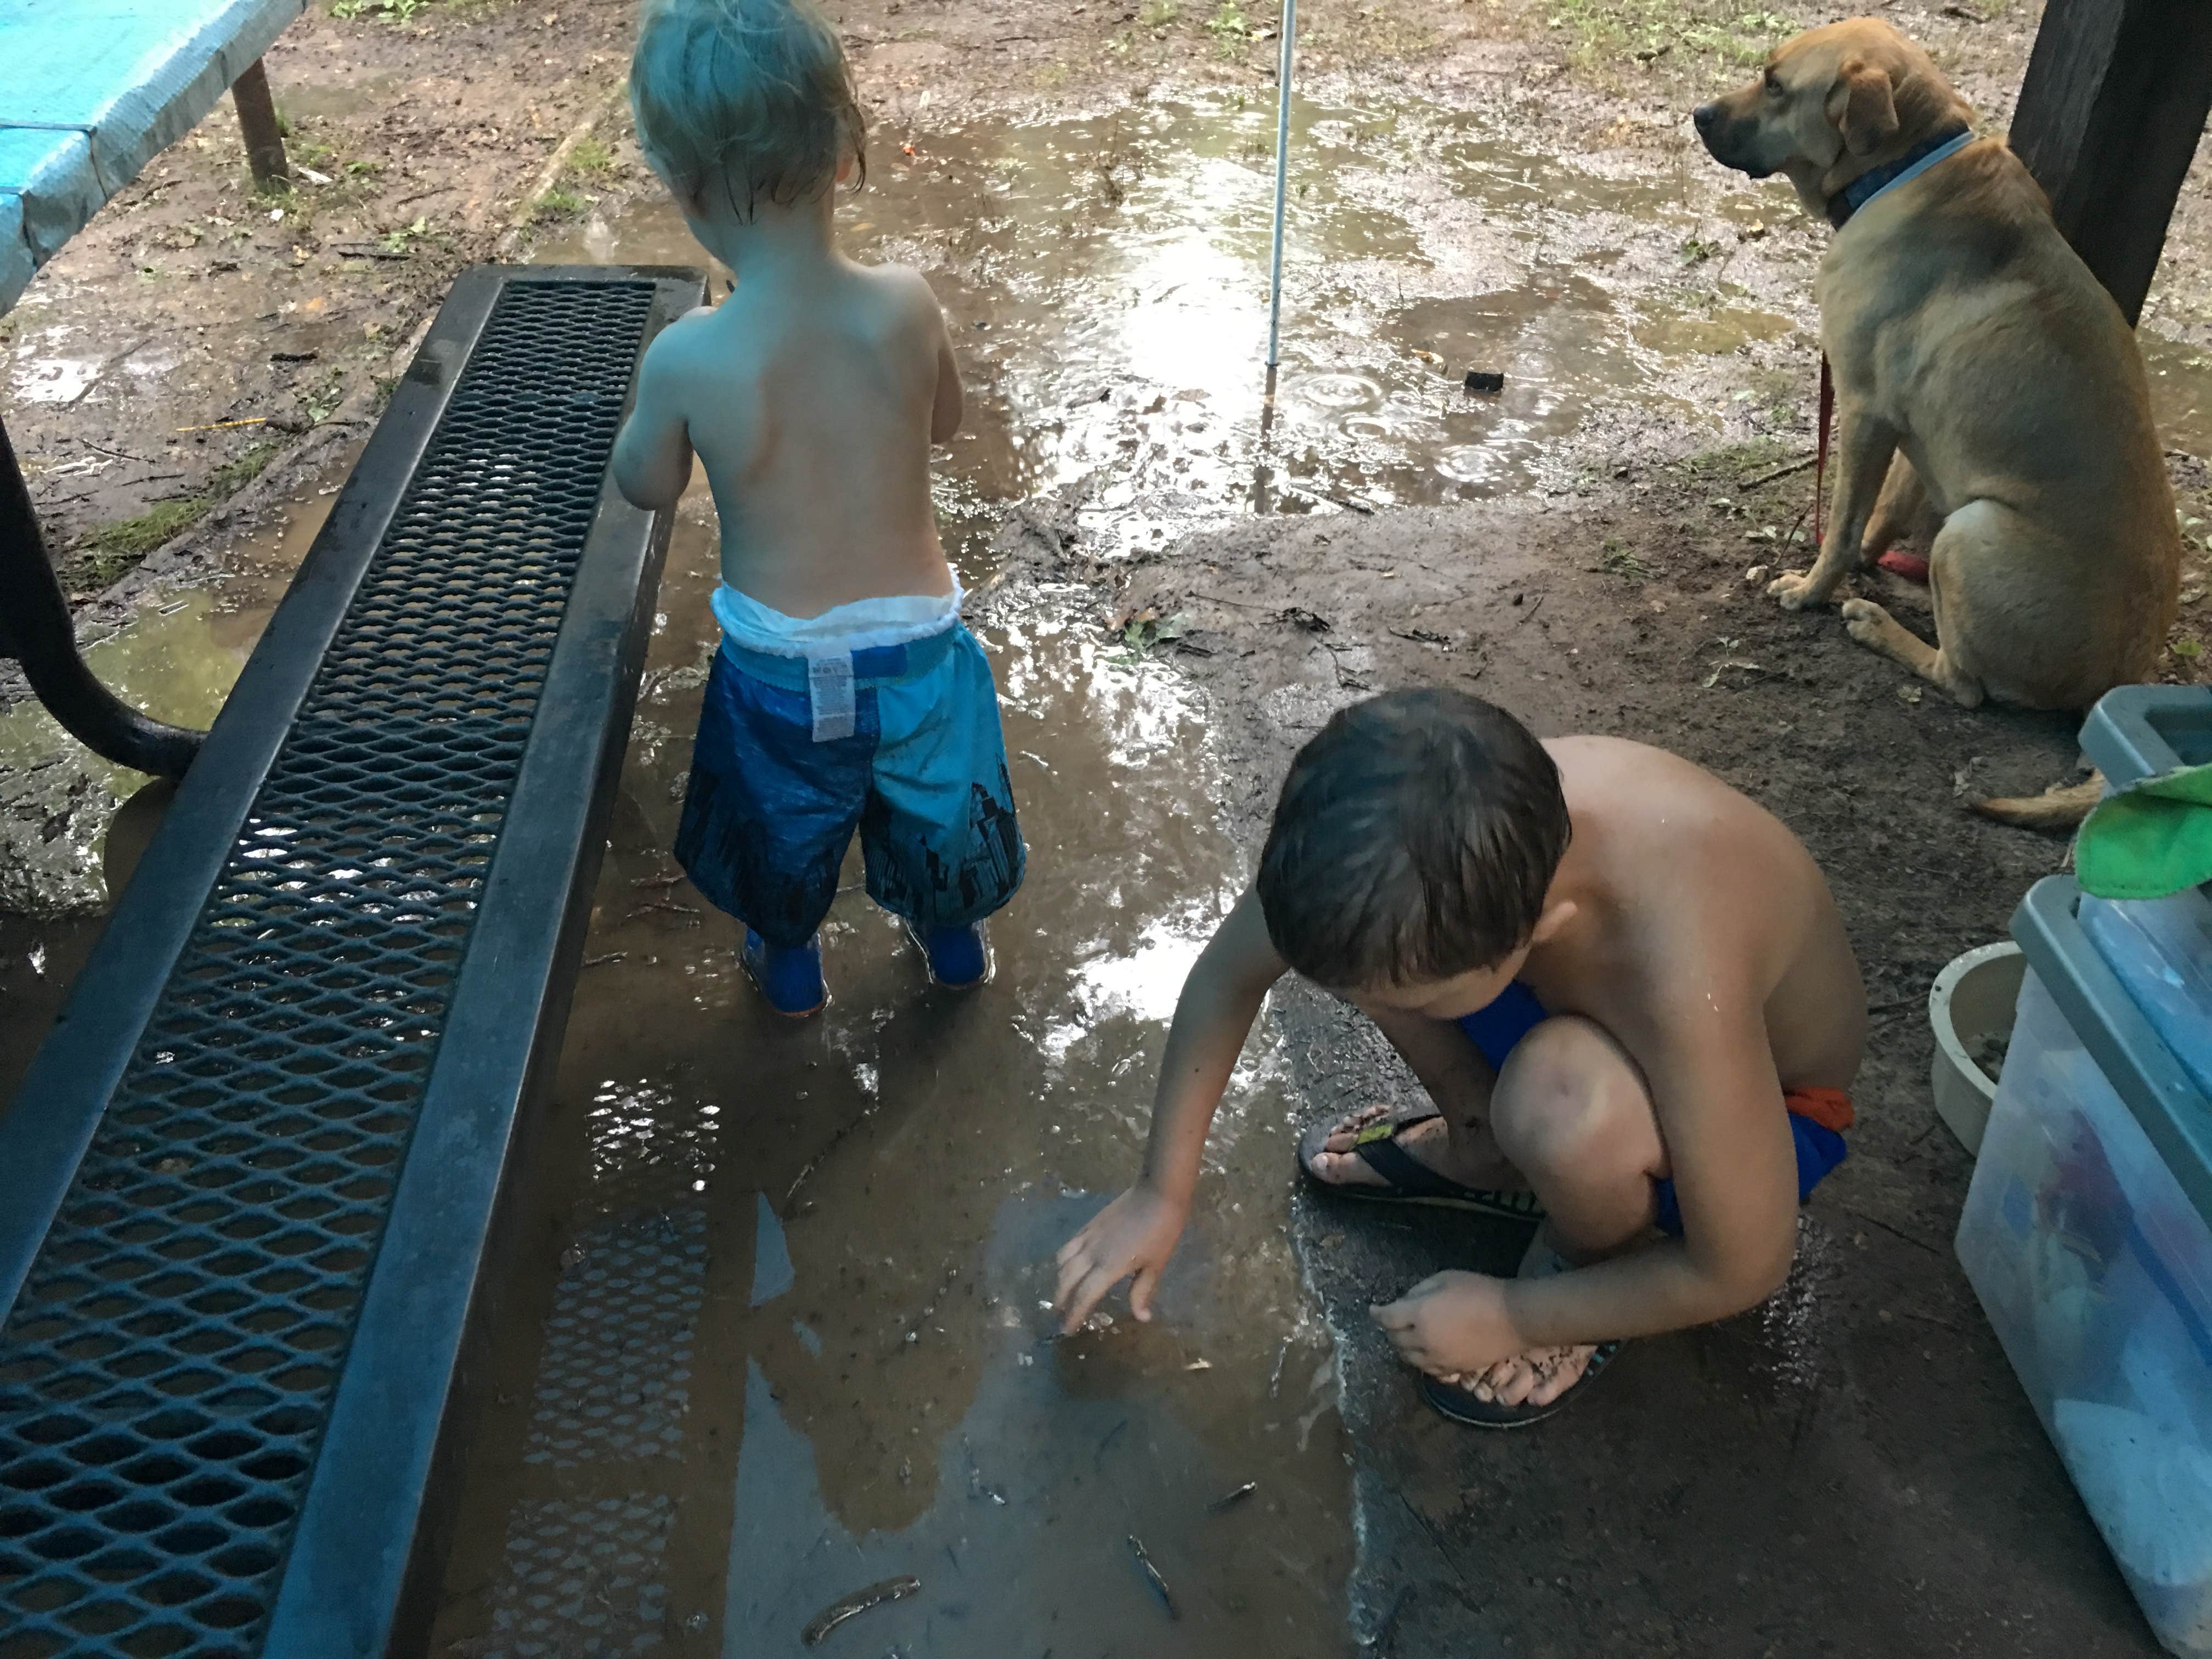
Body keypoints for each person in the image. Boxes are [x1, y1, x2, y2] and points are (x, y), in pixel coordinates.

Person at [1053, 689, 1866, 1426]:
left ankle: (1587, 1260)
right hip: (1581, 1019)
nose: (1378, 1011)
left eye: (1418, 1003)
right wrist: (1161, 1192)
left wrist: (1515, 1318)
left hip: (1764, 1111)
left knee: (1560, 1102)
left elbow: (1746, 1265)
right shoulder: (1407, 848)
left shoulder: (1679, 963)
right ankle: (1485, 1144)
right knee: (1365, 952)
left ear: (1537, 934)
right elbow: (1225, 980)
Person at [611, 0, 1023, 1016]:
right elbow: (944, 423)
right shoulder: (906, 304)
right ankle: (953, 947)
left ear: (681, 184)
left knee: (780, 821)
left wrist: (649, 413)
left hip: (780, 667)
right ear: (845, 153)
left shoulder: (691, 355)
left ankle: (790, 967)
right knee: (934, 811)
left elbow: (647, 484)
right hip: (919, 650)